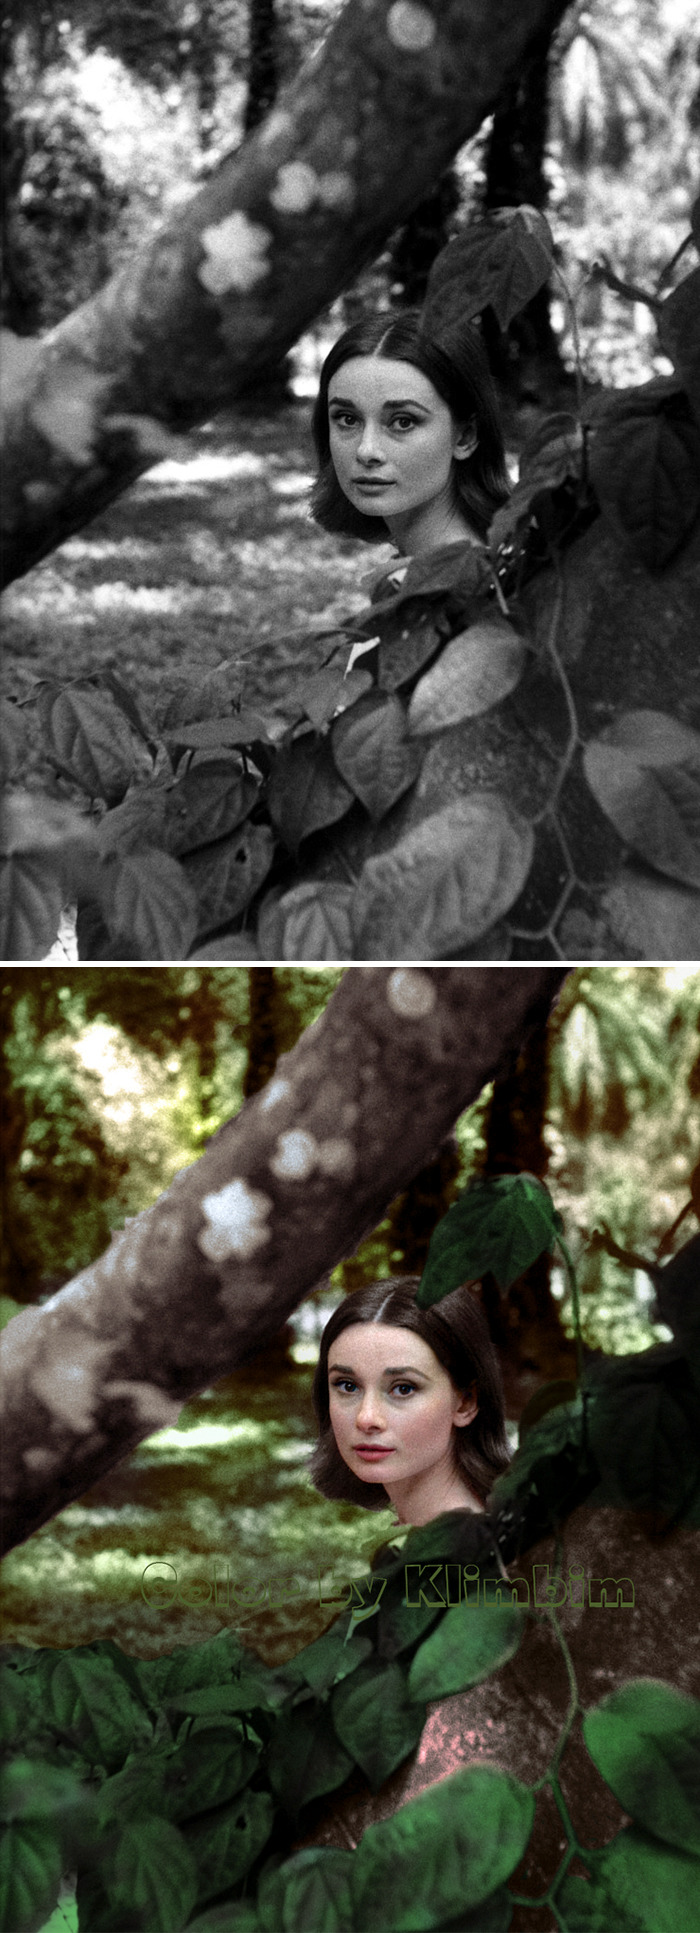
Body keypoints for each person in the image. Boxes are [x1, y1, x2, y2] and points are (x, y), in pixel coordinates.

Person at [308, 1275, 510, 1527]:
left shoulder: (465, 1555)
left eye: (403, 1388)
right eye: (348, 1386)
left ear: (465, 1402)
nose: (366, 1418)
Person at [309, 309, 510, 560]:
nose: (366, 450)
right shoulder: (424, 570)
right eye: (348, 419)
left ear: (465, 437)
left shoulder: (460, 589)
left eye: (403, 422)